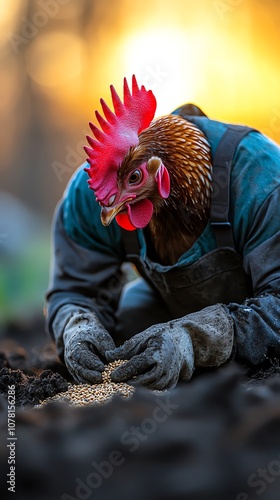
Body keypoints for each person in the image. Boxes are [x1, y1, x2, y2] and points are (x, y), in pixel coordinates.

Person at [45, 78, 280, 390]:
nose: (109, 207)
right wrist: (76, 328)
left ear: (160, 171)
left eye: (134, 178)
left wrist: (192, 340)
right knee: (129, 326)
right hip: (170, 307)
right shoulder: (97, 196)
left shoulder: (261, 183)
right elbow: (72, 289)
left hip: (263, 313)